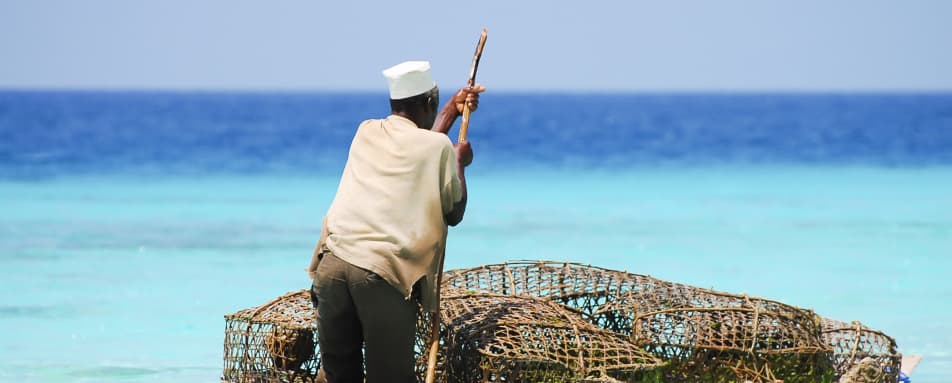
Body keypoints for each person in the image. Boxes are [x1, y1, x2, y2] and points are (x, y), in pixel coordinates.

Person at [306, 60, 484, 383]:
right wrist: (459, 162)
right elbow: (454, 211)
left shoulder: (367, 131)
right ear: (427, 103)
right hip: (379, 275)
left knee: (337, 376)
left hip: (331, 266)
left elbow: (416, 148)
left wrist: (451, 110)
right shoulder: (441, 148)